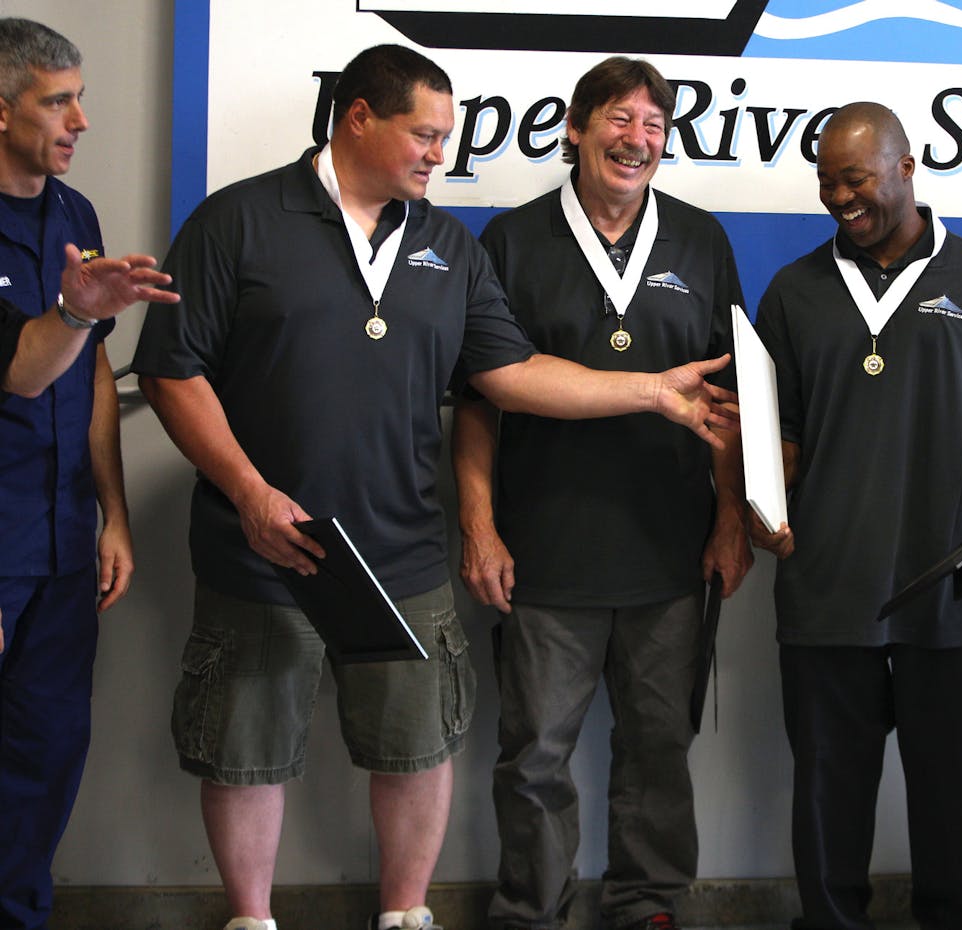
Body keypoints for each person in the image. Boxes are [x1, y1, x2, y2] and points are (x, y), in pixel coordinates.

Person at [131, 45, 735, 930]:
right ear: (358, 118)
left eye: (445, 137)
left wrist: (649, 390)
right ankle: (251, 918)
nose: (437, 155)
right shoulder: (238, 221)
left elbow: (512, 372)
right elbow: (171, 371)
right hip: (259, 546)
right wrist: (249, 493)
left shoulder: (446, 243)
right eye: (424, 134)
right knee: (244, 754)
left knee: (416, 750)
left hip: (403, 552)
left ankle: (405, 915)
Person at [451, 56, 751, 930]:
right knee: (534, 755)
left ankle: (647, 907)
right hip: (546, 556)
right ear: (574, 128)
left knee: (660, 747)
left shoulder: (702, 242)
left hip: (668, 554)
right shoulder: (511, 240)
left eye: (655, 125)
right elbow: (476, 405)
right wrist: (479, 527)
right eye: (619, 119)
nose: (638, 139)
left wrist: (730, 520)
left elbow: (729, 408)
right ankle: (530, 911)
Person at [749, 102, 962, 930]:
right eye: (826, 184)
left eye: (855, 180)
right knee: (827, 793)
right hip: (826, 590)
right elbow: (777, 427)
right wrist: (763, 501)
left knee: (956, 791)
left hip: (948, 588)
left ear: (906, 167)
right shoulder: (793, 293)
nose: (839, 199)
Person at [0, 17, 179, 930]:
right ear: (0, 111)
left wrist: (112, 511)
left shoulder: (75, 219)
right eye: (57, 102)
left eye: (81, 99)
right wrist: (74, 313)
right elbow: (21, 368)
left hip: (64, 539)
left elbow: (95, 375)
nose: (80, 122)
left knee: (48, 748)